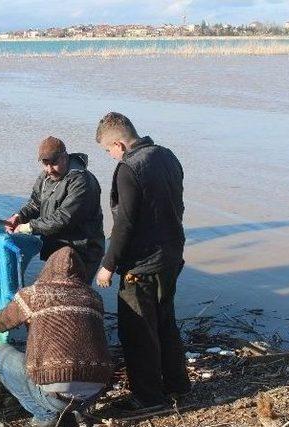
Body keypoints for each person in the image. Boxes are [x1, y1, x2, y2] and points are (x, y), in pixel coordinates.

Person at [94, 112, 191, 410]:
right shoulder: (167, 155)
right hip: (172, 255)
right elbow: (179, 203)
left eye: (108, 150)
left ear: (120, 144)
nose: (110, 156)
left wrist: (109, 264)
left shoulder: (128, 169)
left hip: (143, 265)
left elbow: (125, 223)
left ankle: (148, 397)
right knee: (165, 322)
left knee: (137, 331)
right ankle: (178, 384)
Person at [0, 247, 113, 427]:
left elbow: (0, 324)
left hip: (55, 396)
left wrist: (16, 306)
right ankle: (75, 411)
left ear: (47, 268)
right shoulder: (94, 297)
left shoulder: (33, 293)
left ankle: (45, 414)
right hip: (94, 393)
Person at [6, 136, 105, 283]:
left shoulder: (81, 181)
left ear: (65, 157)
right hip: (56, 247)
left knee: (73, 298)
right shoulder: (45, 177)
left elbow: (63, 218)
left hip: (82, 251)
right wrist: (20, 216)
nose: (49, 169)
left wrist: (27, 227)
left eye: (54, 163)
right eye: (45, 164)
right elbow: (35, 204)